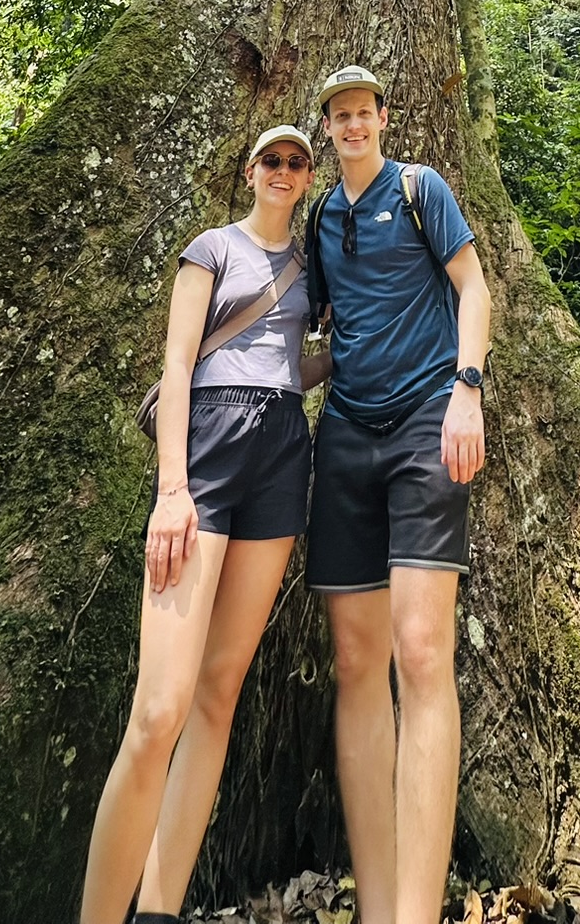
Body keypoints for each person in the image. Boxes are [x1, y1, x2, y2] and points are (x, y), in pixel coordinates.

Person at [81, 125, 327, 924]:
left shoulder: (312, 265)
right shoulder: (211, 248)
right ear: (250, 171)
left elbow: (295, 361)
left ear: (306, 175)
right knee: (160, 710)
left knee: (219, 692)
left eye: (296, 162)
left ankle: (159, 908)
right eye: (272, 161)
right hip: (209, 447)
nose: (283, 172)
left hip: (284, 448)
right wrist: (172, 489)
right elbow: (180, 362)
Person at [304, 65, 491, 924]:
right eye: (338, 116)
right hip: (344, 435)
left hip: (424, 424)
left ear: (383, 117)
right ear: (328, 128)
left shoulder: (420, 190)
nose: (352, 126)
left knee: (421, 656)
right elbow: (323, 340)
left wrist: (468, 388)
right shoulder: (322, 217)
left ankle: (417, 911)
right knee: (354, 665)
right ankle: (378, 908)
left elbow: (475, 288)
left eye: (363, 113)